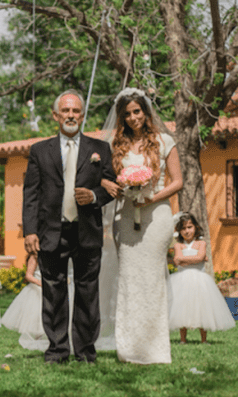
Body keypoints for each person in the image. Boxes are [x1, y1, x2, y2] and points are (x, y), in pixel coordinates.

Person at [22, 89, 116, 364]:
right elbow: (31, 194)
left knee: (88, 293)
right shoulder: (39, 150)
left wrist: (95, 196)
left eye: (76, 111)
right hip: (52, 231)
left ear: (83, 115)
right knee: (53, 292)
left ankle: (86, 352)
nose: (71, 115)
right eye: (66, 111)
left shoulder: (100, 149)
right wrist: (30, 231)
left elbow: (110, 188)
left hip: (87, 230)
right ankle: (57, 351)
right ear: (56, 115)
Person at [105, 87, 183, 364]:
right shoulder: (118, 145)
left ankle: (155, 349)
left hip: (157, 215)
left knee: (152, 280)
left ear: (145, 112)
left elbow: (177, 181)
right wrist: (115, 185)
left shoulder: (164, 141)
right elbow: (108, 177)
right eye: (127, 114)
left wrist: (151, 197)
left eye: (136, 111)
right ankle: (128, 349)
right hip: (126, 216)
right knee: (129, 280)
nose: (133, 117)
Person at [168, 213, 235, 343]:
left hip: (200, 280)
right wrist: (194, 259)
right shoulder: (178, 246)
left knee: (203, 308)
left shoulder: (201, 243)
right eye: (183, 228)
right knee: (182, 309)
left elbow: (199, 258)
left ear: (196, 227)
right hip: (182, 281)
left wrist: (185, 259)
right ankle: (183, 339)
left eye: (189, 227)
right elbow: (177, 261)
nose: (187, 231)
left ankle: (204, 339)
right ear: (179, 231)